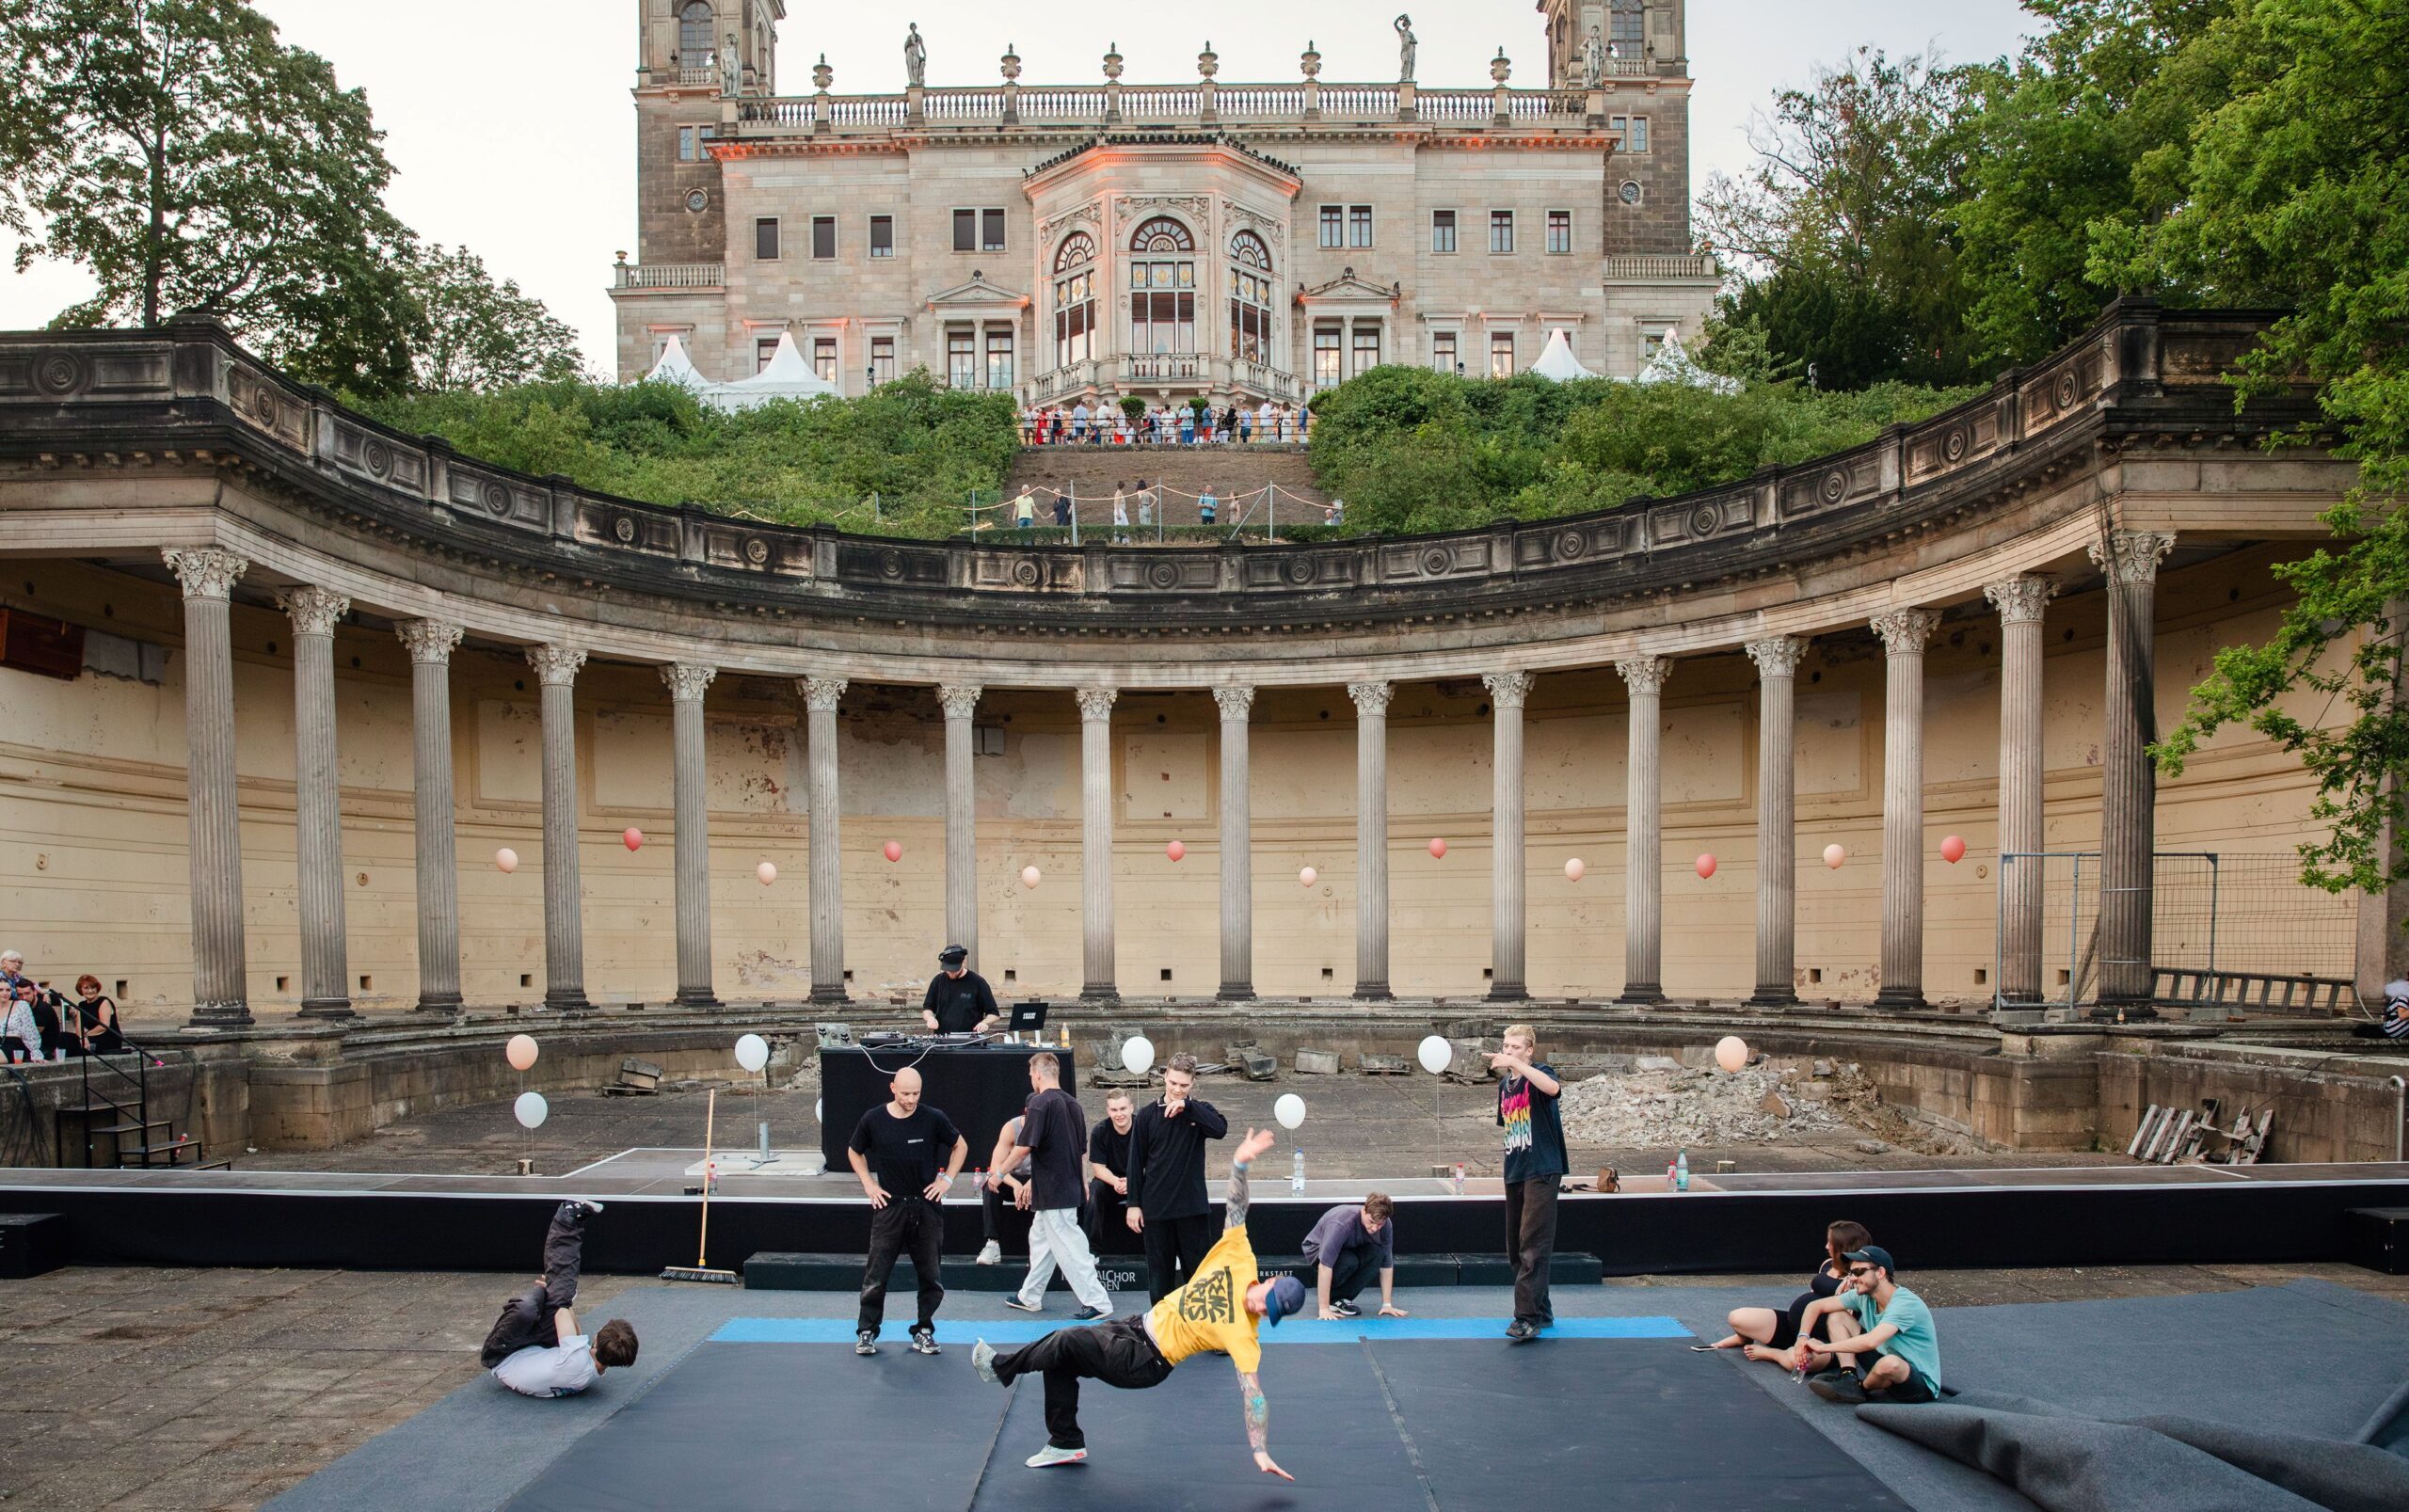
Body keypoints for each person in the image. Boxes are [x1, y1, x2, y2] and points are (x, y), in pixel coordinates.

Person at [973, 1125, 1302, 1476]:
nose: (1264, 1311)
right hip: (1135, 1326)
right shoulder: (1239, 1257)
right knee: (1061, 1359)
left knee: (1067, 1339)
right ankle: (1064, 1441)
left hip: (1146, 1360)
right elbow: (1237, 1209)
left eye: (1272, 1314)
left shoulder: (1245, 1336)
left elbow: (1254, 1394)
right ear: (1271, 1283)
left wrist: (1260, 1449)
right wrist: (1239, 1164)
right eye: (1270, 1302)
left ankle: (1001, 1368)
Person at [847, 1066, 968, 1356]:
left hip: (926, 1205)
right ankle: (867, 1331)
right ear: (893, 1089)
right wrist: (868, 1184)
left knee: (930, 1275)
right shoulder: (873, 1119)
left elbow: (960, 1146)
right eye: (905, 1094)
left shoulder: (933, 1118)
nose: (911, 1099)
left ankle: (924, 1330)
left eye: (916, 1094)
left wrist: (947, 1180)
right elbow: (854, 1150)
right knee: (876, 1275)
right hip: (890, 1206)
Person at [480, 1200, 638, 1397]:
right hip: (537, 1348)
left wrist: (556, 1290)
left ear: (597, 1338)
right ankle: (571, 1221)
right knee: (561, 1296)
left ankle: (567, 1219)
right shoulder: (592, 1368)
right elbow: (573, 1329)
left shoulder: (577, 1362)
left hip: (502, 1354)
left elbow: (562, 1310)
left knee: (535, 1304)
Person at [997, 1053, 1112, 1318]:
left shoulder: (1040, 1103)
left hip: (1054, 1189)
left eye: (1031, 1075)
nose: (1031, 1080)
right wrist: (1082, 1180)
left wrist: (999, 1172)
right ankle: (1030, 1296)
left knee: (1070, 1246)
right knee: (1041, 1241)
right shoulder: (1074, 1105)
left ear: (1038, 1074)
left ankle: (1098, 1301)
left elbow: (1024, 1147)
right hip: (1062, 1186)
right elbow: (1081, 1150)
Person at [1125, 1052, 1230, 1301]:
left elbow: (1220, 1129)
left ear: (1192, 1083)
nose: (1177, 1089)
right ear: (1165, 1078)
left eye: (1183, 1085)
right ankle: (1161, 1333)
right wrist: (1133, 1204)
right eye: (1173, 1083)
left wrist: (1188, 1107)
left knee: (1200, 1277)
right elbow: (1135, 1162)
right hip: (1156, 1210)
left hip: (1191, 1209)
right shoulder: (1147, 1116)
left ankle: (1203, 1332)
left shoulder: (1200, 1110)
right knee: (1160, 1279)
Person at [1701, 1219, 1871, 1363]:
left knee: (1798, 1362)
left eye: (1830, 1243)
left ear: (1842, 1248)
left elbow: (1847, 1315)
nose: (1826, 1246)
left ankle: (1775, 1354)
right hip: (1793, 1328)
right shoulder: (1828, 1264)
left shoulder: (1857, 1280)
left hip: (1822, 1341)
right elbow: (1813, 1293)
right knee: (1737, 1316)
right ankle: (1743, 1337)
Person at [1796, 1245, 1943, 1406]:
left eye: (1858, 1272)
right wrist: (1802, 1338)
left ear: (1880, 1273)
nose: (1852, 1278)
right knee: (1837, 1316)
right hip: (1882, 1357)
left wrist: (1822, 1348)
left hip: (1916, 1384)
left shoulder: (1905, 1304)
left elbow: (1871, 1341)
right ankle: (1848, 1376)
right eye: (1851, 1272)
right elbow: (1815, 1306)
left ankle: (1861, 1389)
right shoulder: (1864, 1296)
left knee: (1891, 1363)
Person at [1492, 1024, 1565, 1342]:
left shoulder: (1539, 1072)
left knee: (1533, 1247)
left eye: (1516, 1048)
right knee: (1515, 1248)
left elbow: (1553, 1089)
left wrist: (1521, 1066)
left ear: (1529, 1050)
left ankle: (1526, 1318)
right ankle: (1542, 1311)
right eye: (1506, 1047)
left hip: (1543, 1169)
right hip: (1516, 1169)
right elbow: (1508, 1125)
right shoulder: (1506, 1085)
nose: (1509, 1052)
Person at [1302, 1194, 1407, 1320]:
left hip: (1351, 1247)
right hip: (1317, 1250)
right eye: (1371, 1222)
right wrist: (1323, 1309)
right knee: (1349, 1261)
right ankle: (1329, 1300)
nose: (1374, 1228)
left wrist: (1387, 1304)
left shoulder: (1386, 1225)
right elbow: (1325, 1266)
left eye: (1379, 1224)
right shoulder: (1341, 1224)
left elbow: (1387, 1264)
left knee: (1378, 1254)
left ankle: (1339, 1298)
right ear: (1364, 1211)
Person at [977, 1112, 1036, 1265]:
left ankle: (1042, 1248)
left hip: (1039, 1180)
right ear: (1026, 1112)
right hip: (1012, 1178)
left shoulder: (1050, 1128)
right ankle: (992, 1243)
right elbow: (995, 1167)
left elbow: (1054, 1167)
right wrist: (1016, 1185)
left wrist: (1032, 1183)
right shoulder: (1011, 1127)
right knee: (990, 1185)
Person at [1088, 1092, 1136, 1252]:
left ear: (1131, 1108)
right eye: (1114, 1110)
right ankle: (1091, 1249)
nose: (1119, 1114)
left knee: (1157, 1188)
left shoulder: (1143, 1128)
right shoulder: (1100, 1131)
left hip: (1138, 1179)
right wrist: (1116, 1181)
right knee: (1094, 1190)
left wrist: (1133, 1181)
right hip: (1111, 1182)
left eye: (1123, 1109)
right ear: (1108, 1111)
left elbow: (1152, 1165)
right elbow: (1098, 1168)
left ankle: (1159, 1249)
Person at [921, 944, 998, 1034]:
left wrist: (985, 1023)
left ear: (964, 961)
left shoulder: (978, 982)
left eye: (955, 970)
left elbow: (994, 1014)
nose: (951, 974)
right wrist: (930, 1018)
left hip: (970, 1039)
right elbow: (927, 1009)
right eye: (948, 970)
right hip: (942, 1040)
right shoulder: (938, 980)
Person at [65, 976, 125, 1055]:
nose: (90, 991)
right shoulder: (82, 1005)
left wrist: (85, 1036)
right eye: (86, 988)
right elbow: (79, 1027)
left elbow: (103, 1026)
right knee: (65, 1038)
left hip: (107, 1039)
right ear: (81, 990)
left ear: (97, 988)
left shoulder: (104, 1001)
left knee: (76, 1047)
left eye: (93, 987)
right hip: (91, 1038)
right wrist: (82, 1038)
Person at [3, 981, 42, 1063]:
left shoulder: (21, 1005)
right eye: (0, 990)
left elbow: (30, 1031)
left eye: (8, 990)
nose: (5, 993)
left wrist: (35, 1053)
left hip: (13, 1045)